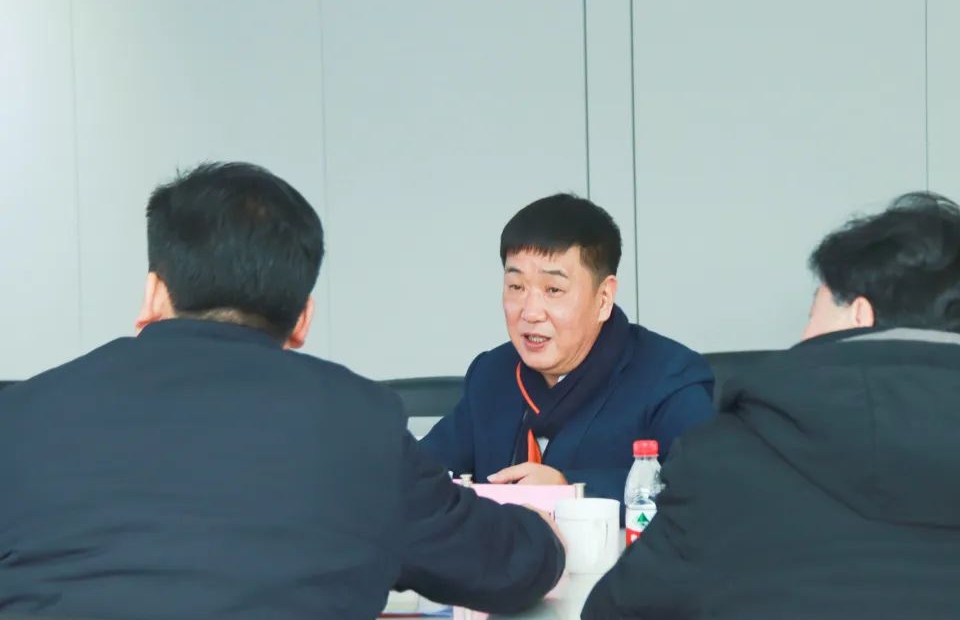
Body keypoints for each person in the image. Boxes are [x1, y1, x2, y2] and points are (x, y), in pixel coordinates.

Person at [0, 163, 564, 620]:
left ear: (154, 293)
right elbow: (505, 567)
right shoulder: (357, 425)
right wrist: (546, 534)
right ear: (302, 320)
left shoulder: (20, 417)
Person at [583, 192, 960, 620]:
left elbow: (616, 611)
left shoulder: (725, 458)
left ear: (859, 316)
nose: (803, 336)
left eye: (814, 313)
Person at [420, 193, 715, 502]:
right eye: (516, 287)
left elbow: (703, 488)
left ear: (603, 299)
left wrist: (569, 490)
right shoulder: (492, 374)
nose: (530, 312)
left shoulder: (669, 377)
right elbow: (419, 473)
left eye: (553, 290)